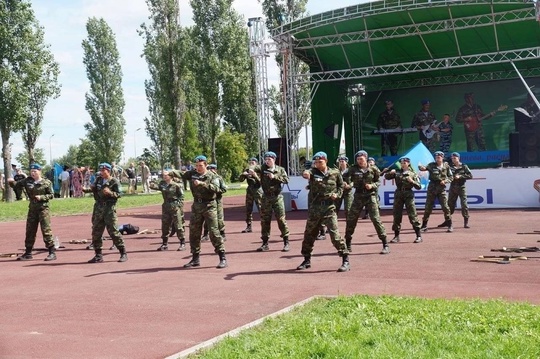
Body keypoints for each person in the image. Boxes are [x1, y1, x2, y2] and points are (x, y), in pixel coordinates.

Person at [169, 155, 227, 269]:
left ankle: (222, 258)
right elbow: (181, 174)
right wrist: (171, 172)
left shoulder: (212, 176)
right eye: (197, 165)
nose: (198, 168)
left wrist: (202, 184)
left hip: (209, 205)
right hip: (197, 206)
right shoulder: (192, 174)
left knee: (214, 232)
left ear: (205, 165)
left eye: (200, 165)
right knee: (194, 232)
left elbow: (216, 189)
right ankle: (195, 259)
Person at [296, 152, 349, 272]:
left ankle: (345, 259)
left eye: (320, 162)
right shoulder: (313, 172)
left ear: (326, 161)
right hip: (315, 208)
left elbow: (341, 186)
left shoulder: (335, 173)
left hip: (329, 208)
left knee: (335, 235)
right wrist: (306, 173)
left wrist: (338, 194)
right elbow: (306, 173)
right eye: (316, 162)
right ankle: (306, 259)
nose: (318, 164)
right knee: (309, 234)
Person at [344, 150, 389, 254]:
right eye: (358, 159)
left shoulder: (373, 169)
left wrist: (372, 186)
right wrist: (347, 185)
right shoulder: (352, 169)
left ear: (366, 158)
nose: (360, 161)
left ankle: (385, 244)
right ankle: (348, 244)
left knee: (376, 220)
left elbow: (378, 181)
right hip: (358, 196)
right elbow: (345, 178)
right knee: (351, 220)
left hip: (370, 196)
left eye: (362, 159)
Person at [8, 163, 57, 261]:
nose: (33, 173)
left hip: (43, 209)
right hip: (32, 209)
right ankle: (28, 253)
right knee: (30, 230)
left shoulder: (46, 182)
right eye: (31, 171)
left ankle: (52, 252)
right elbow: (16, 185)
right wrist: (10, 182)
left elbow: (51, 195)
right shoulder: (27, 181)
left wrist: (42, 197)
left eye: (35, 171)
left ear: (40, 171)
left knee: (46, 230)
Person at [85, 163, 128, 263]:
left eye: (103, 171)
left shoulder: (114, 181)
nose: (101, 172)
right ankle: (98, 255)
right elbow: (94, 188)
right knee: (96, 232)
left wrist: (110, 193)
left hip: (109, 209)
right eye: (101, 170)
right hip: (98, 209)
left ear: (108, 171)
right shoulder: (99, 180)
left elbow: (120, 194)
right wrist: (87, 189)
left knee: (113, 232)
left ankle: (123, 253)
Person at [250, 151, 290, 252]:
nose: (267, 161)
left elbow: (286, 180)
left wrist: (275, 177)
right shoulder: (263, 168)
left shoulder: (280, 169)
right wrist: (251, 169)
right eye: (266, 159)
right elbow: (255, 167)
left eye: (269, 159)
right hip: (266, 198)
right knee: (264, 221)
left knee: (281, 220)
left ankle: (286, 242)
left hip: (277, 198)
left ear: (274, 160)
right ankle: (265, 243)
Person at [384, 157, 423, 243]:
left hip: (408, 194)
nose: (403, 164)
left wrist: (412, 181)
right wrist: (390, 172)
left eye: (404, 163)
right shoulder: (397, 172)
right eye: (401, 163)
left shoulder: (413, 174)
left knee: (412, 215)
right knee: (397, 215)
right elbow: (386, 177)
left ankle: (418, 236)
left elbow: (419, 186)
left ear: (408, 164)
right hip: (399, 194)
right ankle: (396, 236)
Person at [150, 170, 186, 251]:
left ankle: (182, 243)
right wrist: (151, 184)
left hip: (175, 207)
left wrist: (178, 205)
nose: (165, 176)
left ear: (171, 176)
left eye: (166, 175)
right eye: (164, 175)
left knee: (178, 226)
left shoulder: (176, 185)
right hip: (166, 206)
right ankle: (164, 244)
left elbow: (182, 196)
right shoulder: (163, 184)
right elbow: (157, 187)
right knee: (165, 225)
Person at [419, 151, 453, 233]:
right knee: (428, 207)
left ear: (442, 157)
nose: (438, 158)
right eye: (436, 157)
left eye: (439, 156)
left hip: (441, 189)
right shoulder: (431, 165)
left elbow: (451, 177)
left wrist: (445, 181)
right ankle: (424, 225)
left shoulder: (446, 166)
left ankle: (450, 224)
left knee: (445, 207)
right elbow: (423, 168)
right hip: (432, 188)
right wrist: (420, 167)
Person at [445, 152, 473, 229]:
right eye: (452, 158)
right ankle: (447, 221)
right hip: (453, 187)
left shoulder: (464, 166)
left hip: (461, 187)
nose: (453, 159)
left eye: (455, 158)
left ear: (458, 158)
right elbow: (446, 175)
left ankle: (466, 222)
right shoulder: (450, 167)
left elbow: (470, 175)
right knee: (449, 205)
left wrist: (460, 176)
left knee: (464, 205)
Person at [238, 157, 262, 233]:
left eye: (253, 162)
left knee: (261, 208)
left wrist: (255, 175)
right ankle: (249, 226)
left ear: (256, 163)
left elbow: (262, 182)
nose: (251, 163)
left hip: (257, 190)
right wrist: (243, 174)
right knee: (248, 209)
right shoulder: (247, 170)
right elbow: (240, 180)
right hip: (250, 190)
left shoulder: (259, 170)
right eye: (250, 162)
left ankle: (264, 225)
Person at [207, 164, 227, 241]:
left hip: (217, 200)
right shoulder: (206, 178)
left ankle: (222, 233)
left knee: (219, 218)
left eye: (213, 169)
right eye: (210, 168)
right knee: (207, 218)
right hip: (208, 201)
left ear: (216, 170)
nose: (211, 170)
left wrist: (217, 191)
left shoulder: (219, 178)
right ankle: (206, 234)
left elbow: (224, 189)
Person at [335, 155, 352, 219]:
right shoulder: (337, 171)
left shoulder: (350, 171)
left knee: (348, 209)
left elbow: (354, 180)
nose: (341, 163)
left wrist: (349, 185)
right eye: (340, 161)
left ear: (346, 162)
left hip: (348, 192)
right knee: (335, 208)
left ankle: (349, 222)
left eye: (342, 161)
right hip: (339, 191)